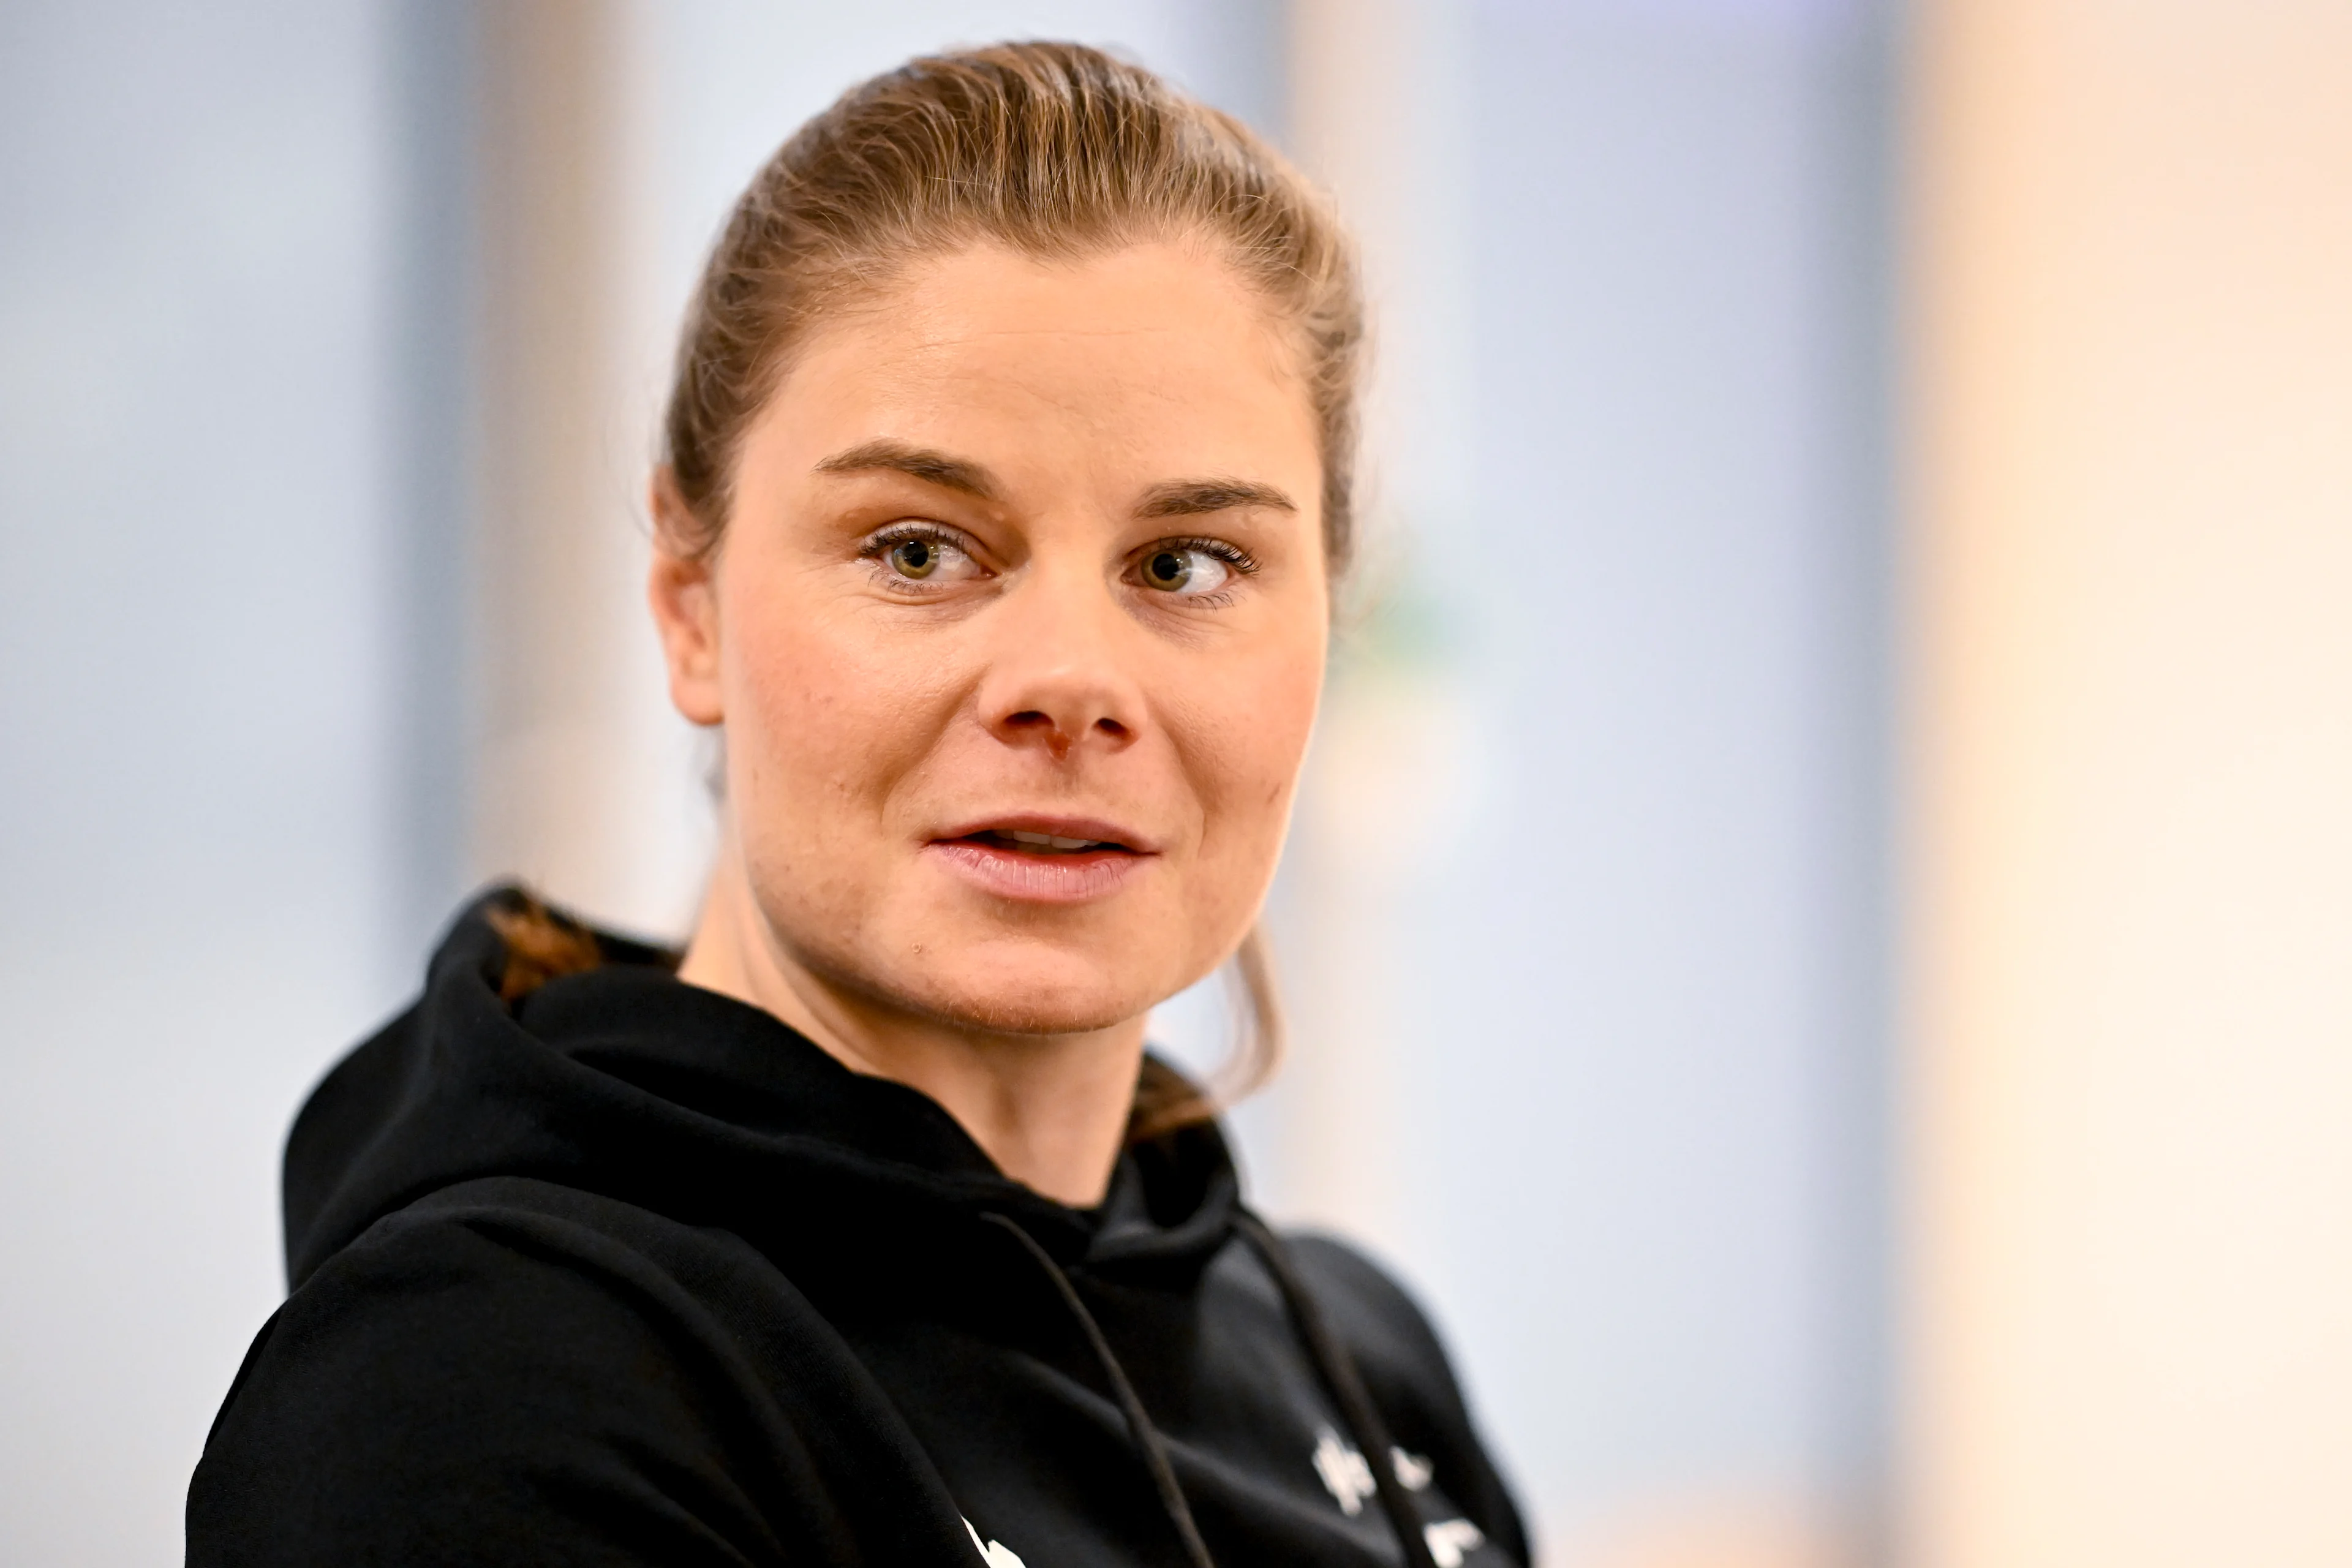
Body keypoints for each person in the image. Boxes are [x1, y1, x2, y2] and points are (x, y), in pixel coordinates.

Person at [187, 42, 1526, 1568]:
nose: (1072, 682)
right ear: (689, 609)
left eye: (1188, 563)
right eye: (918, 548)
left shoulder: (1367, 1360)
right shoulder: (475, 1385)